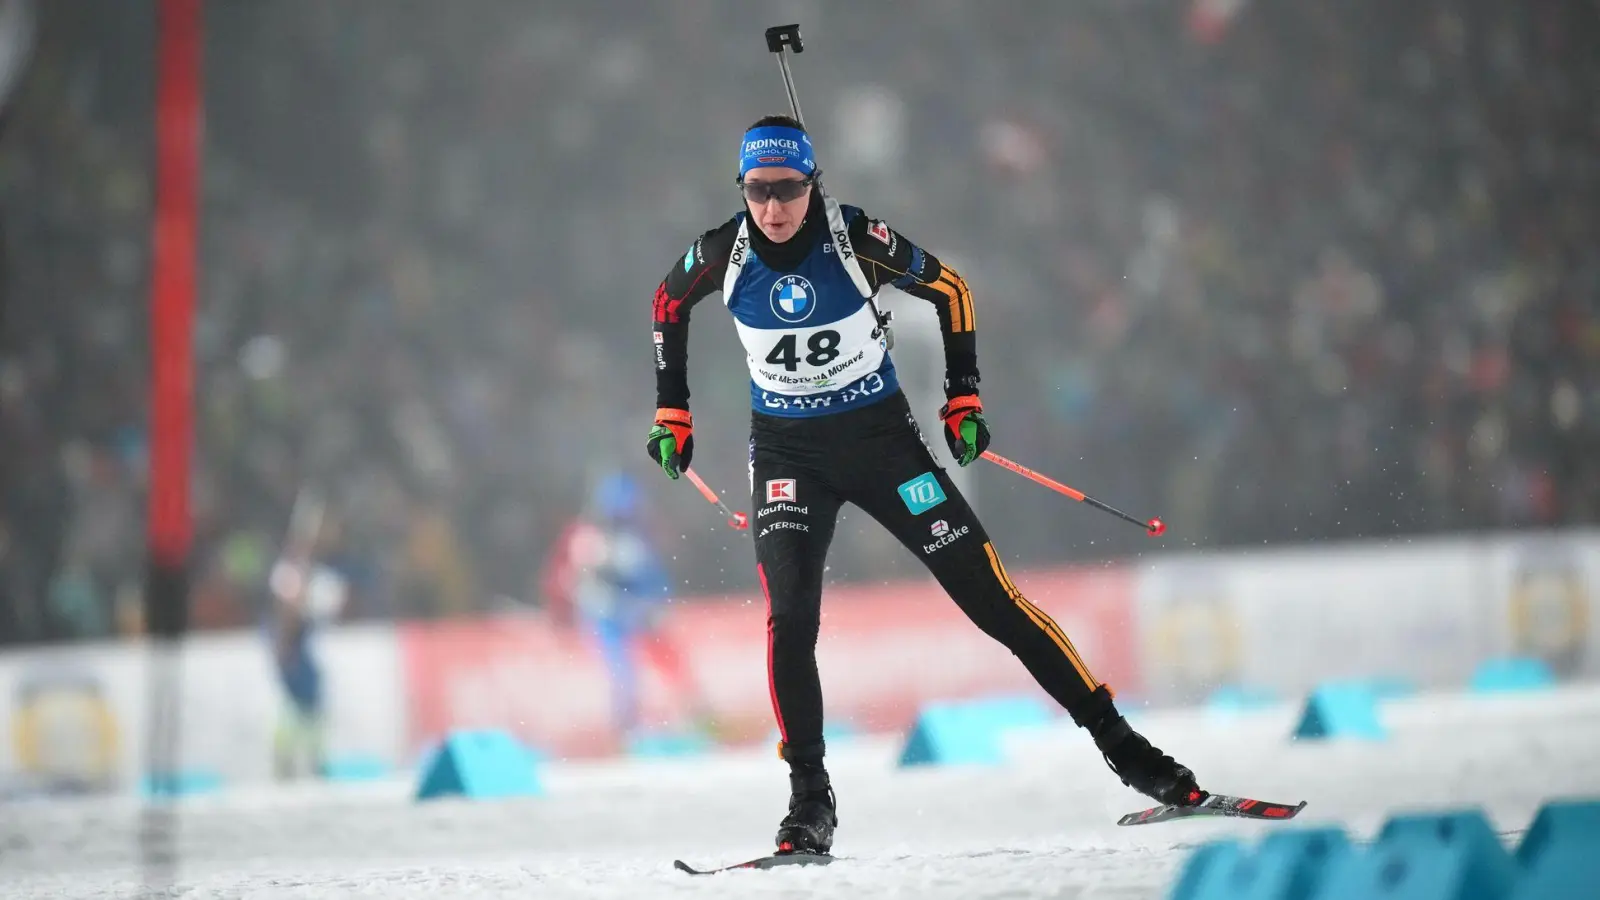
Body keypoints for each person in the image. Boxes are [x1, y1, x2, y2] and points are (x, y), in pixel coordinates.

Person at [644, 115, 1202, 856]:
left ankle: (1129, 753)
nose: (773, 207)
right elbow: (665, 305)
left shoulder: (853, 239)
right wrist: (673, 410)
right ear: (741, 189)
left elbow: (950, 289)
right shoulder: (724, 251)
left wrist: (963, 396)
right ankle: (810, 804)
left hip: (882, 444)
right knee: (790, 621)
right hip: (788, 458)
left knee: (991, 600)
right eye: (758, 191)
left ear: (813, 185)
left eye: (787, 189)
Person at [541, 471, 710, 743]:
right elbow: (566, 578)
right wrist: (576, 597)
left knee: (668, 663)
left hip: (639, 611)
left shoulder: (641, 534)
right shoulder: (585, 535)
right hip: (608, 615)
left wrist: (657, 603)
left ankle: (691, 715)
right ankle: (628, 726)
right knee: (623, 670)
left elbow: (652, 575)